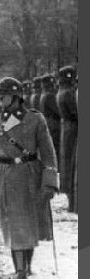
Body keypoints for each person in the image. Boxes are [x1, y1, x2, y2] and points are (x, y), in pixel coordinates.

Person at [0, 77, 59, 279]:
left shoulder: (35, 119)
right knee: (13, 224)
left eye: (3, 94)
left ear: (16, 96)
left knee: (29, 223)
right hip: (5, 177)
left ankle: (26, 266)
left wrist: (50, 182)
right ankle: (20, 271)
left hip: (31, 175)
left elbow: (48, 153)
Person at [56, 66, 78, 212]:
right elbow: (75, 112)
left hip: (66, 128)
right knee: (72, 163)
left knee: (67, 163)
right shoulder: (68, 93)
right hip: (73, 128)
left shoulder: (61, 92)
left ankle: (71, 200)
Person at [39, 73, 61, 164]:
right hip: (53, 123)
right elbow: (58, 111)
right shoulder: (49, 96)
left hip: (47, 122)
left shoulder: (43, 95)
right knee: (56, 147)